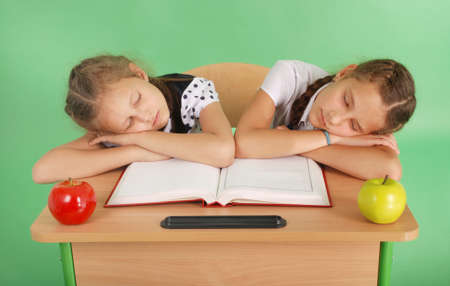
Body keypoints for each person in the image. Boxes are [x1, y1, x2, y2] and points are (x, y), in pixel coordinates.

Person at [33, 55, 235, 184]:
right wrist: (132, 153)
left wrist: (141, 139)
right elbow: (42, 171)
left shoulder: (191, 91)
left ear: (139, 74)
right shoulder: (116, 132)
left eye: (138, 99)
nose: (145, 117)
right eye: (129, 123)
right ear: (114, 131)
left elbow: (223, 151)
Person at [235, 59, 416, 180]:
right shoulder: (290, 75)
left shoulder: (372, 116)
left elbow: (390, 170)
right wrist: (334, 139)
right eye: (346, 101)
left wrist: (300, 147)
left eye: (354, 125)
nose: (335, 119)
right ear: (344, 73)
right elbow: (244, 143)